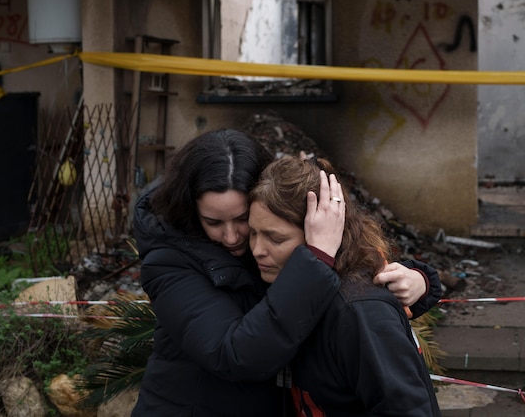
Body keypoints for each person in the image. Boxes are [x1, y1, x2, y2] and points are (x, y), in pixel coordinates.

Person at [132, 129, 439, 416]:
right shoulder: (169, 261)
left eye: (242, 220)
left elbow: (353, 289)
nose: (232, 238)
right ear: (190, 209)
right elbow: (236, 355)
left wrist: (417, 281)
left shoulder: (284, 247)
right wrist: (315, 259)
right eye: (213, 222)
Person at [248, 155, 442, 417]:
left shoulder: (358, 311)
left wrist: (422, 279)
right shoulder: (279, 282)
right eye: (253, 233)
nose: (257, 250)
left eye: (276, 239)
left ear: (322, 234)